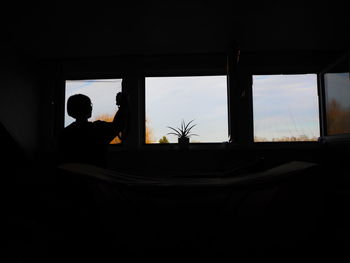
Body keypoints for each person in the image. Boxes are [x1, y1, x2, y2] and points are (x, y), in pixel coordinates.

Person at [57, 90, 128, 166]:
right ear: (86, 108)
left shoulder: (64, 133)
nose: (91, 107)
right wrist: (122, 105)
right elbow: (118, 125)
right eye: (89, 105)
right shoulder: (98, 128)